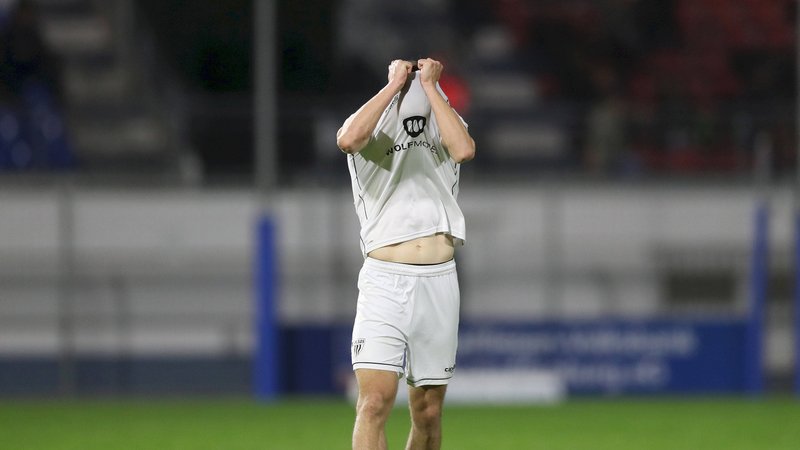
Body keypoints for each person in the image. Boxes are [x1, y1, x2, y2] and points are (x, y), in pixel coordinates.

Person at [336, 57, 475, 450]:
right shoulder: (370, 128)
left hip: (437, 282)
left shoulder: (444, 127)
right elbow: (347, 140)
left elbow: (464, 150)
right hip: (385, 282)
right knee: (373, 402)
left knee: (428, 412)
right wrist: (394, 85)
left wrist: (430, 86)